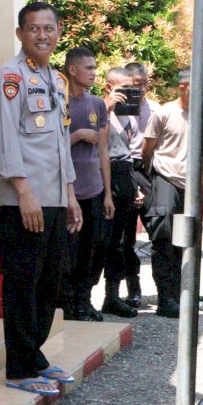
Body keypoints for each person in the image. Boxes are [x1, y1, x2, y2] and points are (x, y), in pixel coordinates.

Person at [0, 1, 81, 396]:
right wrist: (24, 192)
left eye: (49, 28)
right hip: (22, 200)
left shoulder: (56, 81)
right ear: (20, 34)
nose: (42, 35)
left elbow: (61, 143)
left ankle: (35, 354)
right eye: (33, 29)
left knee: (49, 281)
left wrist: (71, 195)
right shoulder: (9, 78)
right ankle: (20, 366)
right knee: (23, 281)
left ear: (58, 32)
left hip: (56, 197)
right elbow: (7, 139)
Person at [60, 47, 128, 321]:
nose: (93, 73)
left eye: (94, 68)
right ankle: (68, 305)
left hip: (95, 190)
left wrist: (108, 193)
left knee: (93, 249)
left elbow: (103, 151)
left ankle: (85, 301)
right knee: (70, 252)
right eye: (88, 68)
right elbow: (51, 147)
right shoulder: (59, 103)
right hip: (69, 191)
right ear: (72, 70)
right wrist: (76, 136)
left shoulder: (98, 104)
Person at [140, 69, 191, 318]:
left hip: (189, 185)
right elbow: (147, 149)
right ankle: (165, 298)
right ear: (182, 87)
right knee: (164, 239)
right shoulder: (164, 113)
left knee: (185, 240)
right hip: (165, 179)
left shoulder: (202, 114)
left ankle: (182, 293)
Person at [100, 66, 143, 317]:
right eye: (124, 88)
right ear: (110, 87)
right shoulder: (99, 108)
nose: (130, 92)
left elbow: (130, 151)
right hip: (107, 175)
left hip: (126, 173)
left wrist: (134, 185)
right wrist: (106, 106)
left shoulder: (129, 114)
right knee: (106, 240)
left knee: (124, 240)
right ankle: (99, 295)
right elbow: (99, 147)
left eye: (133, 87)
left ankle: (113, 295)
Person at [121, 62, 160, 307]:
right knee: (126, 237)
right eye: (137, 84)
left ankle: (166, 287)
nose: (142, 89)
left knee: (159, 229)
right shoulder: (118, 110)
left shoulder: (155, 109)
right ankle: (132, 288)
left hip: (149, 169)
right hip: (125, 169)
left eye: (145, 83)